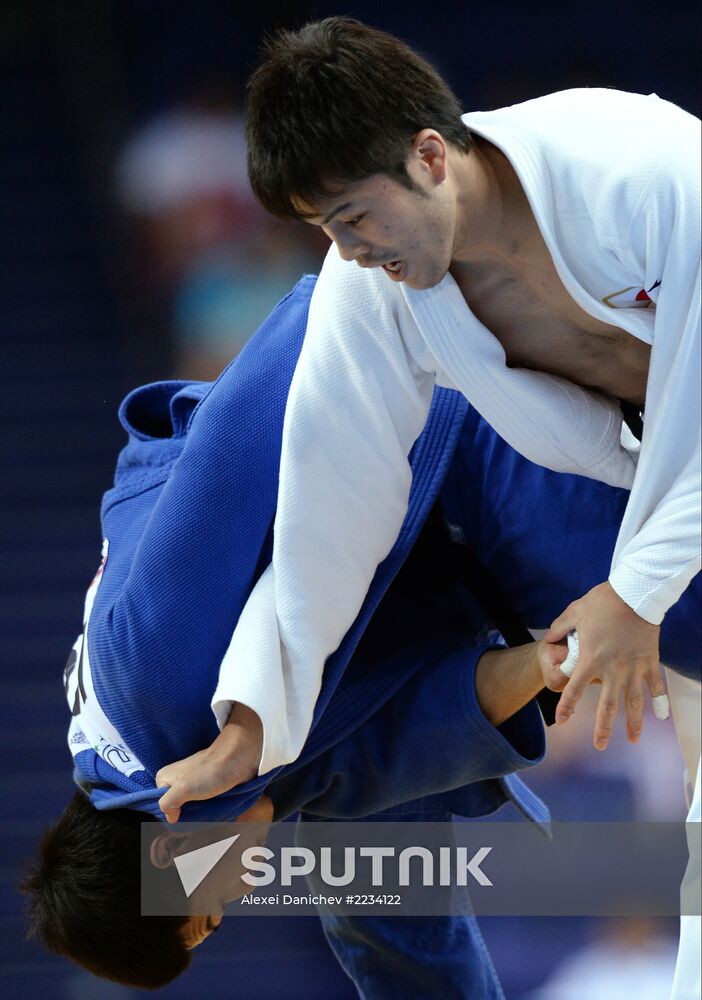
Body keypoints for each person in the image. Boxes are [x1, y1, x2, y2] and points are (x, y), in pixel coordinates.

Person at [21, 276, 700, 996]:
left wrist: (382, 267)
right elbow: (401, 742)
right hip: (431, 554)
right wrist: (544, 663)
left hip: (438, 451)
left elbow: (257, 401)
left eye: (214, 908)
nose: (247, 891)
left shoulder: (149, 674)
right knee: (379, 898)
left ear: (169, 854)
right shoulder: (184, 773)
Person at [180, 16, 699, 789]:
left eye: (354, 217)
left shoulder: (643, 168)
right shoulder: (370, 287)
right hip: (648, 476)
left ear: (428, 156)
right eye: (327, 229)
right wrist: (252, 725)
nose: (351, 251)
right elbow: (328, 505)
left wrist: (635, 596)